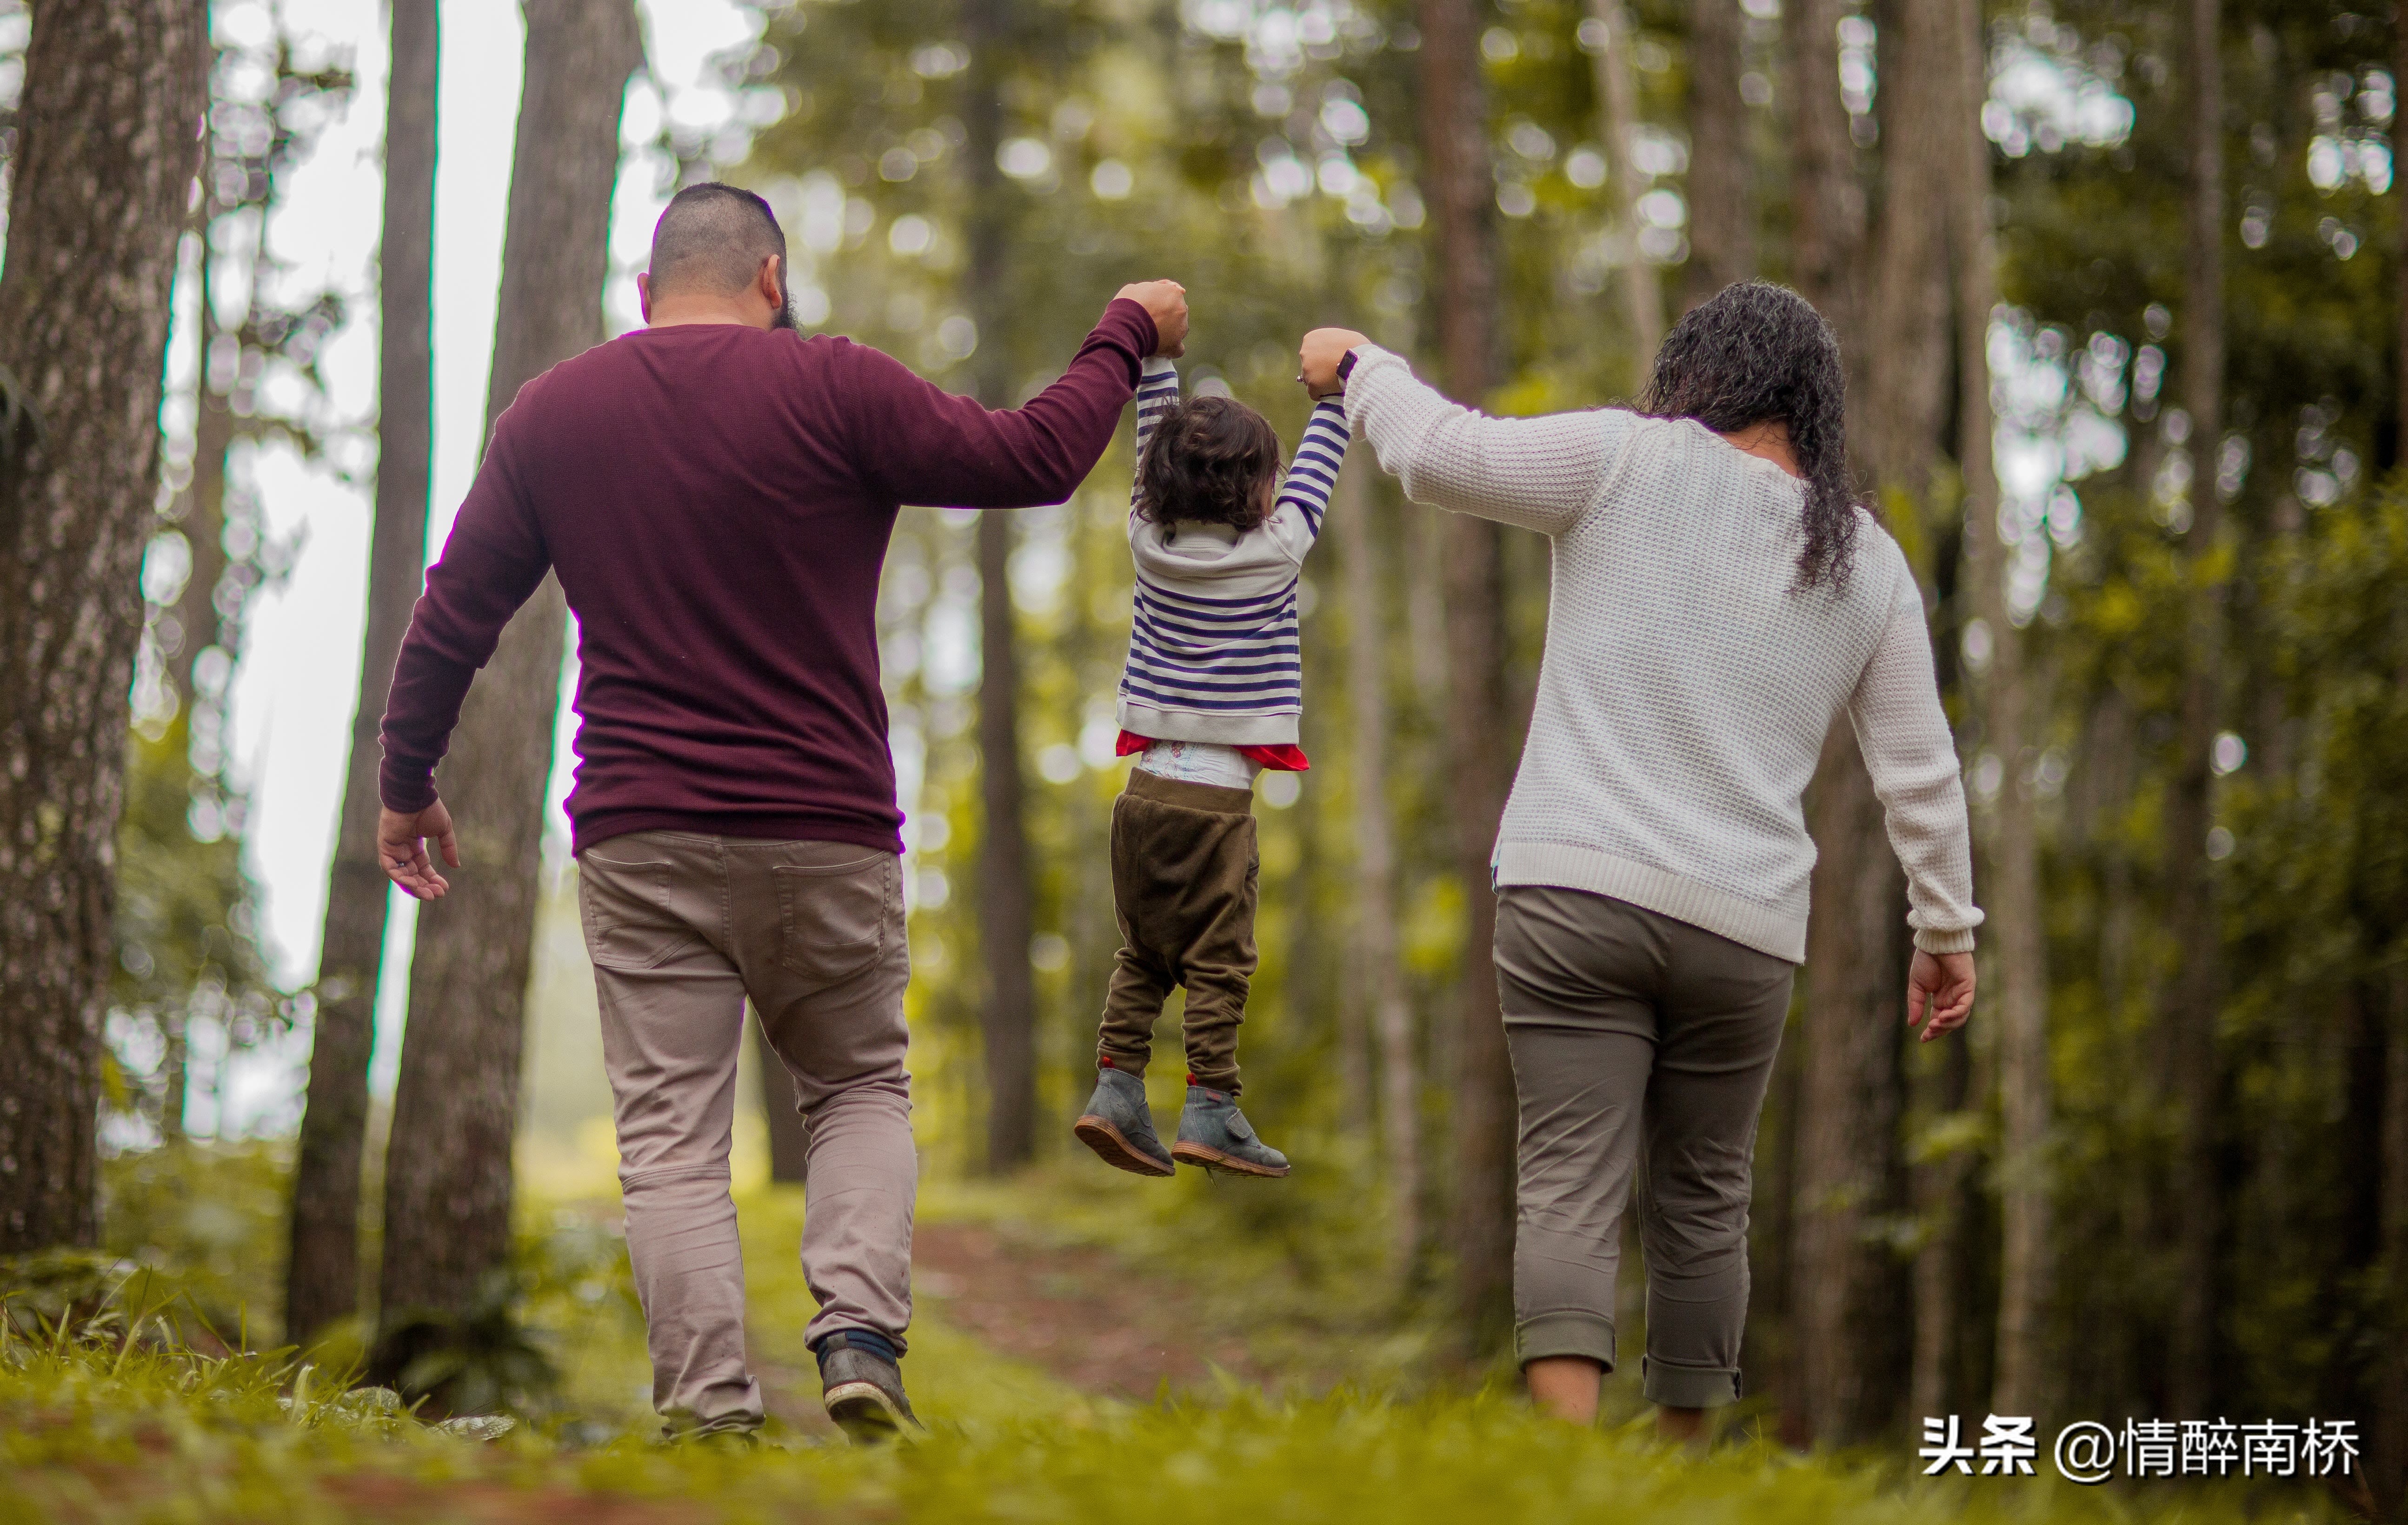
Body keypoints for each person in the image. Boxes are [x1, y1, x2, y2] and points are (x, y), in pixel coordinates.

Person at [373, 180, 1189, 1442]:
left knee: (670, 1144)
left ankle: (708, 1414)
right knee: (858, 1084)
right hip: (826, 825)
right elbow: (1033, 460)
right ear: (772, 279)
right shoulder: (836, 384)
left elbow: (455, 614)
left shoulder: (556, 414)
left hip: (642, 832)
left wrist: (405, 781)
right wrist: (1124, 330)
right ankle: (861, 1337)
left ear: (645, 297)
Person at [1295, 281, 1981, 1441]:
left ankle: (1568, 1475)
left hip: (1575, 892)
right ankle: (1678, 1477)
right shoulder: (1865, 561)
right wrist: (1946, 931)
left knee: (1570, 1177)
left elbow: (1439, 456)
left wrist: (1363, 364)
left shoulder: (1624, 458)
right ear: (1814, 407)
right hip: (1745, 929)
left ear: (1698, 372)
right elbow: (1921, 769)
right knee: (1707, 1202)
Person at [1071, 347, 1350, 1180]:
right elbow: (1321, 464)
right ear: (1259, 492)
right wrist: (1335, 393)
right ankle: (1211, 1105)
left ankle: (1116, 1087)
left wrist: (1156, 360)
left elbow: (1145, 441)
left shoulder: (1144, 543)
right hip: (1215, 808)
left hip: (1143, 797)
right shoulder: (1277, 551)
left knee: (1144, 955)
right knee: (1218, 963)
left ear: (1158, 485)